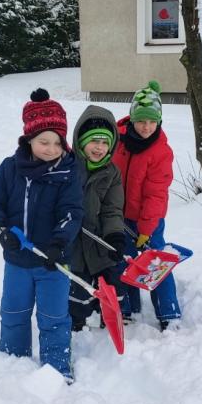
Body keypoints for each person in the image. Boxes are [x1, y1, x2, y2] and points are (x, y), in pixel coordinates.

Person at [0, 88, 83, 381]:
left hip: (54, 262)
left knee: (54, 317)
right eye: (43, 142)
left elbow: (72, 212)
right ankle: (12, 364)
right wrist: (1, 230)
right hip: (17, 261)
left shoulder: (68, 172)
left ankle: (57, 370)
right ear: (28, 140)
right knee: (14, 314)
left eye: (57, 142)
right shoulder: (10, 169)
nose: (51, 149)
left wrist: (59, 243)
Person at [111, 80, 182, 332]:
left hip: (149, 219)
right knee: (122, 261)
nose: (146, 127)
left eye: (152, 121)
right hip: (119, 217)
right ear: (132, 118)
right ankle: (128, 308)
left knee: (155, 265)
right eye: (141, 120)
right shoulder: (117, 141)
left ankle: (169, 313)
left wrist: (146, 228)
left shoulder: (161, 152)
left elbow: (156, 194)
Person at [67, 105, 128, 331]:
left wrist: (114, 235)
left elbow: (112, 209)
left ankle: (108, 319)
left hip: (99, 239)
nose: (100, 148)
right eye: (94, 141)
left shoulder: (112, 173)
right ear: (81, 141)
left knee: (113, 282)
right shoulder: (67, 167)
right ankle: (76, 324)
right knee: (78, 288)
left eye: (105, 142)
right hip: (72, 240)